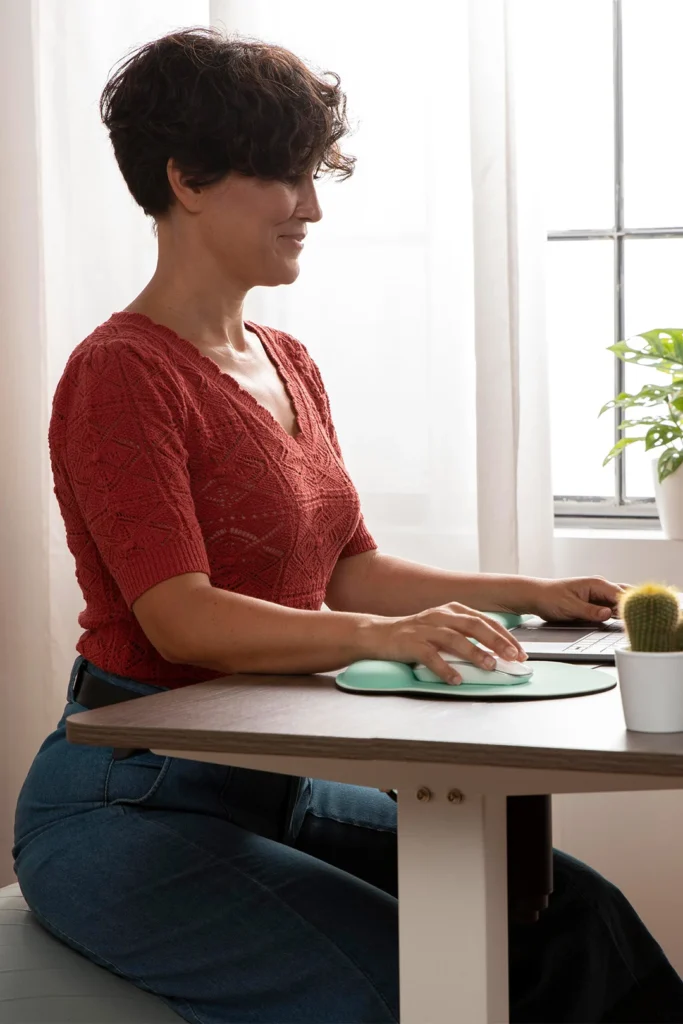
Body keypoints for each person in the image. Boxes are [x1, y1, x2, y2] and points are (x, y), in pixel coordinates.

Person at [12, 27, 683, 1024]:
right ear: (186, 180)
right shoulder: (121, 374)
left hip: (267, 784)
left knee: (576, 918)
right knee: (399, 994)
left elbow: (347, 566)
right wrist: (384, 639)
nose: (312, 207)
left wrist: (518, 592)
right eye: (284, 176)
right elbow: (181, 621)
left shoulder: (286, 360)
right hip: (131, 798)